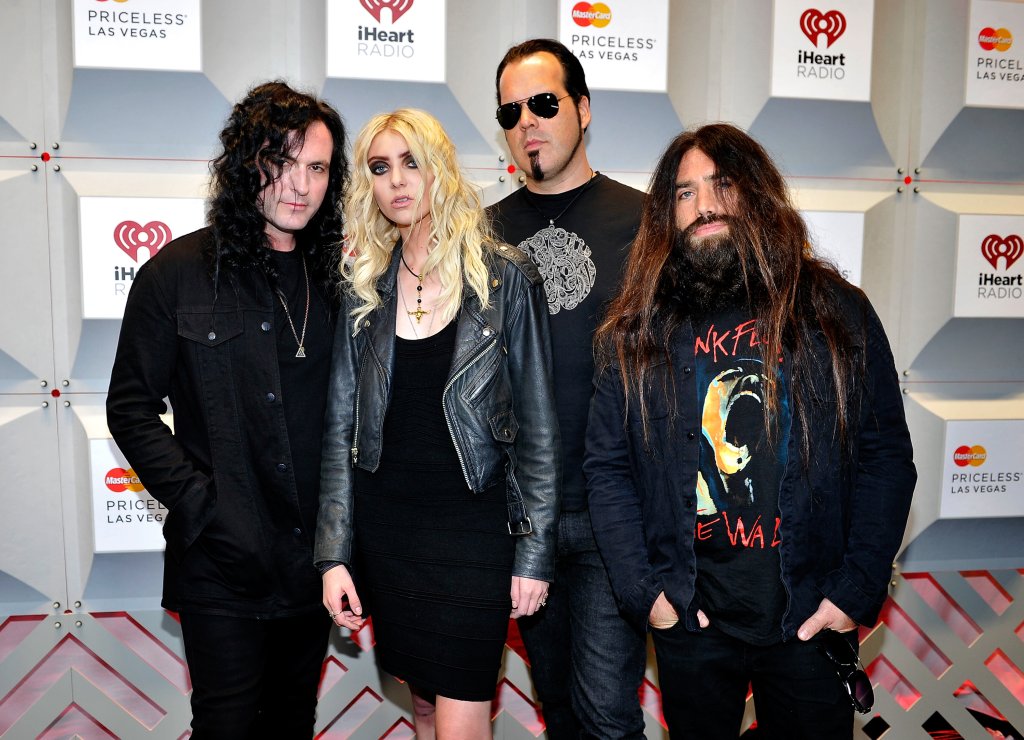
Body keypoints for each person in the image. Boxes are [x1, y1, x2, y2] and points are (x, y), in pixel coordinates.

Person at [584, 123, 917, 739]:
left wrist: (853, 593)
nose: (705, 205)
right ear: (666, 215)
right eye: (684, 193)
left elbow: (886, 459)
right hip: (691, 620)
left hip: (810, 617)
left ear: (758, 194)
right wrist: (647, 595)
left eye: (723, 184)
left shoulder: (835, 310)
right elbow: (607, 469)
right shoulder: (638, 330)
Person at [105, 81, 348, 738]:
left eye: (317, 167)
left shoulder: (341, 282)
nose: (299, 185)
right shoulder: (178, 271)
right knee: (227, 725)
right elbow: (129, 408)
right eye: (282, 161)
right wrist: (206, 508)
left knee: (294, 721)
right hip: (223, 563)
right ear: (248, 165)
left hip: (311, 564)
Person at [315, 108, 561, 740]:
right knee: (424, 706)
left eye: (411, 163)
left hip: (474, 533)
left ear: (440, 171)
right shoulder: (363, 289)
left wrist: (534, 552)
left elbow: (538, 428)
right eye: (379, 167)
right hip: (391, 530)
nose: (397, 181)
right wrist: (334, 556)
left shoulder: (504, 277)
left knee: (460, 713)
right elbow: (341, 425)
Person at [487, 39, 648, 739]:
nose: (527, 121)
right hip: (521, 517)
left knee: (607, 717)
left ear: (582, 108)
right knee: (561, 714)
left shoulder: (647, 224)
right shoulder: (484, 235)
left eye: (544, 103)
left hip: (615, 510)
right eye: (511, 110)